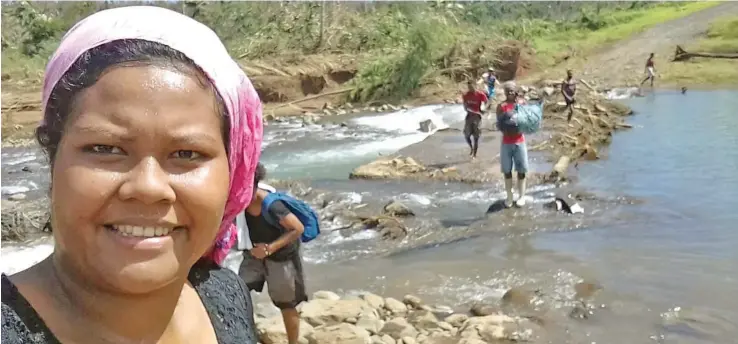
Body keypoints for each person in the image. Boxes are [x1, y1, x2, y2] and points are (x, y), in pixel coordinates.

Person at [1, 6, 264, 344]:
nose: (148, 187)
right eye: (105, 149)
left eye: (186, 154)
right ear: (53, 158)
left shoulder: (223, 293)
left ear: (233, 174)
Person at [239, 163, 307, 344]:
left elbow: (297, 228)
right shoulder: (238, 202)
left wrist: (270, 248)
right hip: (253, 255)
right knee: (238, 292)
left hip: (281, 258)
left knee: (286, 304)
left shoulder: (272, 205)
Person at [496, 81, 529, 208]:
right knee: (507, 170)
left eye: (512, 90)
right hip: (506, 142)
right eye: (507, 90)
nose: (510, 92)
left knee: (522, 169)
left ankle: (521, 196)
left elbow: (527, 119)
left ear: (516, 91)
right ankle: (509, 197)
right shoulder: (501, 106)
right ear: (505, 92)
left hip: (519, 141)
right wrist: (507, 126)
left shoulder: (522, 104)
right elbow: (499, 124)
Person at [462, 80, 489, 159]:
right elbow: (465, 105)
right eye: (469, 87)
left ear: (475, 86)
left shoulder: (480, 94)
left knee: (476, 136)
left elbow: (487, 102)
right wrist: (466, 108)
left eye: (472, 87)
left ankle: (474, 154)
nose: (470, 88)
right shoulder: (466, 95)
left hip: (477, 117)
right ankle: (471, 147)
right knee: (466, 135)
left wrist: (484, 108)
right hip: (469, 116)